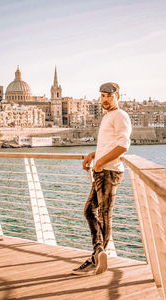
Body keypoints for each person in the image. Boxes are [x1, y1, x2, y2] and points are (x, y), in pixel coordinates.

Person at [72, 82, 132, 275]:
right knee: (90, 211)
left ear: (118, 97)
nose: (105, 99)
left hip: (109, 172)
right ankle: (98, 253)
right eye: (103, 96)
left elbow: (123, 146)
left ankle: (96, 260)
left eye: (109, 95)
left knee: (104, 215)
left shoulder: (120, 116)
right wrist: (93, 155)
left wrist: (100, 162)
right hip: (102, 169)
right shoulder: (109, 116)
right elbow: (109, 144)